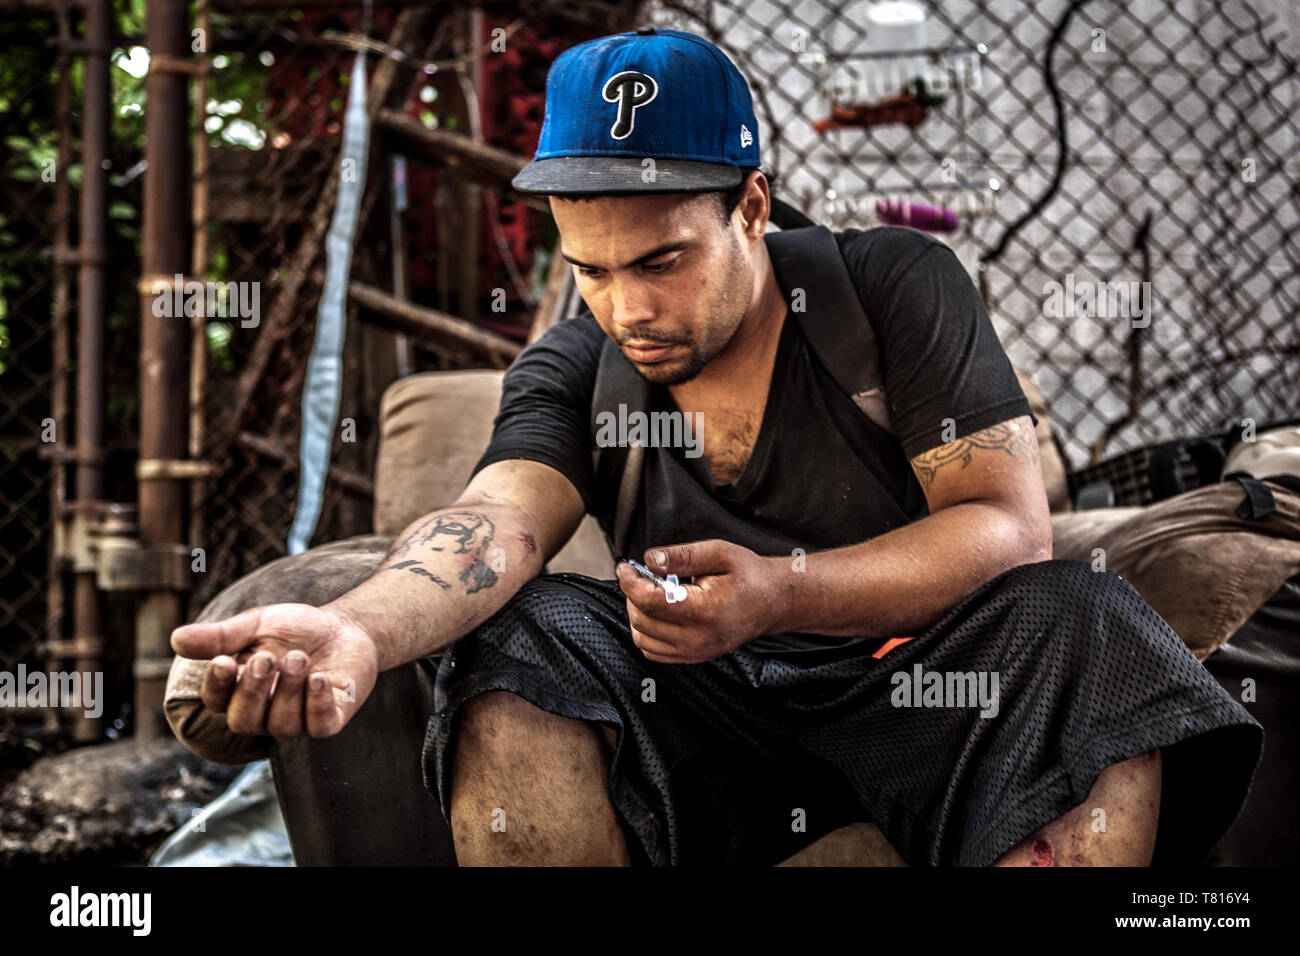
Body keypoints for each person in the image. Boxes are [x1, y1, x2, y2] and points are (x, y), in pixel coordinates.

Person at [171, 27, 1261, 866]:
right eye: (590, 271)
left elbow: (1005, 528)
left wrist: (777, 591)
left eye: (658, 261)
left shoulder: (887, 287)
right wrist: (353, 629)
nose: (623, 305)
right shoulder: (569, 365)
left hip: (924, 700)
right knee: (530, 629)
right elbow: (492, 524)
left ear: (750, 205)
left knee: (1079, 611)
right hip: (698, 724)